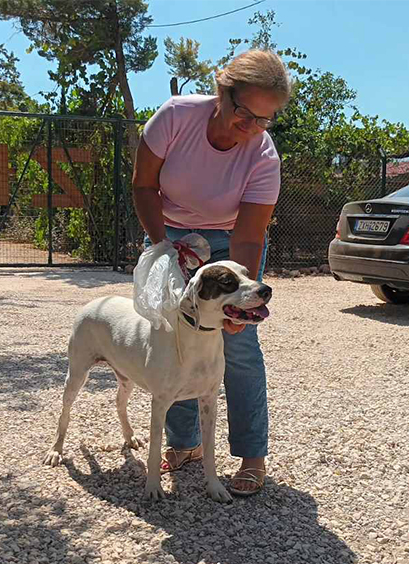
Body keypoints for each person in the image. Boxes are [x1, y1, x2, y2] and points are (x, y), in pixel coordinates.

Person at [132, 49, 291, 497]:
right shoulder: (175, 117)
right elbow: (144, 184)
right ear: (222, 93)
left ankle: (252, 455)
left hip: (228, 241)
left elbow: (249, 237)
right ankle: (185, 444)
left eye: (265, 119)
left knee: (238, 346)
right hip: (168, 232)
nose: (252, 128)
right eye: (245, 114)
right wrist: (163, 249)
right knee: (174, 337)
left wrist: (241, 305)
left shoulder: (263, 155)